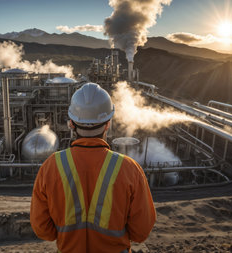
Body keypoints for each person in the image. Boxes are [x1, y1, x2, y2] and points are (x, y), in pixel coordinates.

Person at [30, 83, 156, 253]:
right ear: (108, 124)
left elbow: (42, 229)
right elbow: (141, 232)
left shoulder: (51, 167)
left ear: (72, 124)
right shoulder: (129, 169)